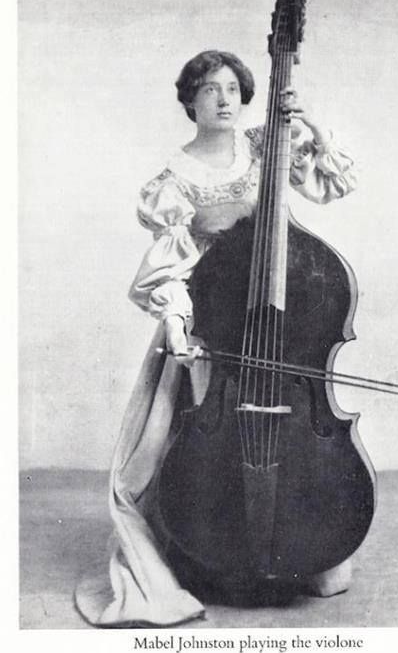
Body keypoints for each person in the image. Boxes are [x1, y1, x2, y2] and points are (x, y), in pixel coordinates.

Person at [75, 50, 357, 628]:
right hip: (209, 318)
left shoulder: (263, 147)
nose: (224, 99)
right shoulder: (174, 178)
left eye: (232, 87)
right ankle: (203, 543)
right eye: (209, 90)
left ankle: (296, 541)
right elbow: (170, 267)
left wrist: (313, 130)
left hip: (274, 320)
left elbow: (333, 186)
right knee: (176, 436)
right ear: (190, 101)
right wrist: (180, 330)